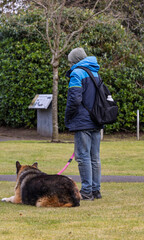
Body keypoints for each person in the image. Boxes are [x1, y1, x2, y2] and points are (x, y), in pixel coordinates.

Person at [65, 47, 102, 201]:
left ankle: (86, 191)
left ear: (74, 61)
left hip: (82, 121)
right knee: (95, 157)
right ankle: (95, 190)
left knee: (83, 157)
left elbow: (74, 99)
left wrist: (68, 117)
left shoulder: (77, 73)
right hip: (96, 119)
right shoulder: (95, 72)